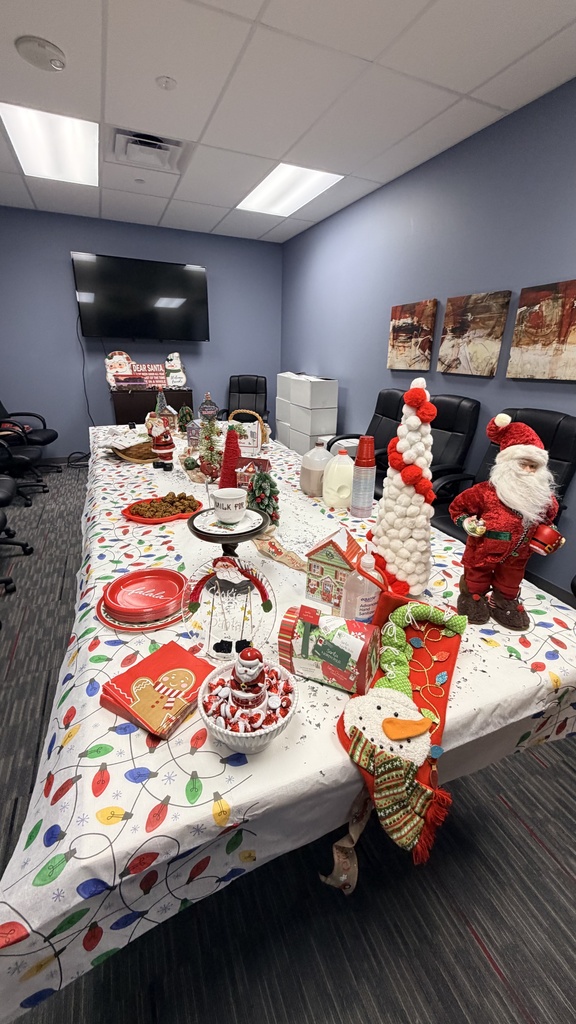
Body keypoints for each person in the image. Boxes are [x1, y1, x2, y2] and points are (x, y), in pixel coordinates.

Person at [449, 414, 558, 630]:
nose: (528, 471)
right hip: (482, 549)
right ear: (508, 464)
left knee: (510, 581)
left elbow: (548, 518)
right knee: (476, 577)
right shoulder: (484, 492)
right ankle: (473, 596)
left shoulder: (545, 499)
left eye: (533, 467)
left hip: (519, 555)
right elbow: (457, 508)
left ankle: (503, 601)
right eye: (523, 464)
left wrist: (550, 531)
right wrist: (466, 522)